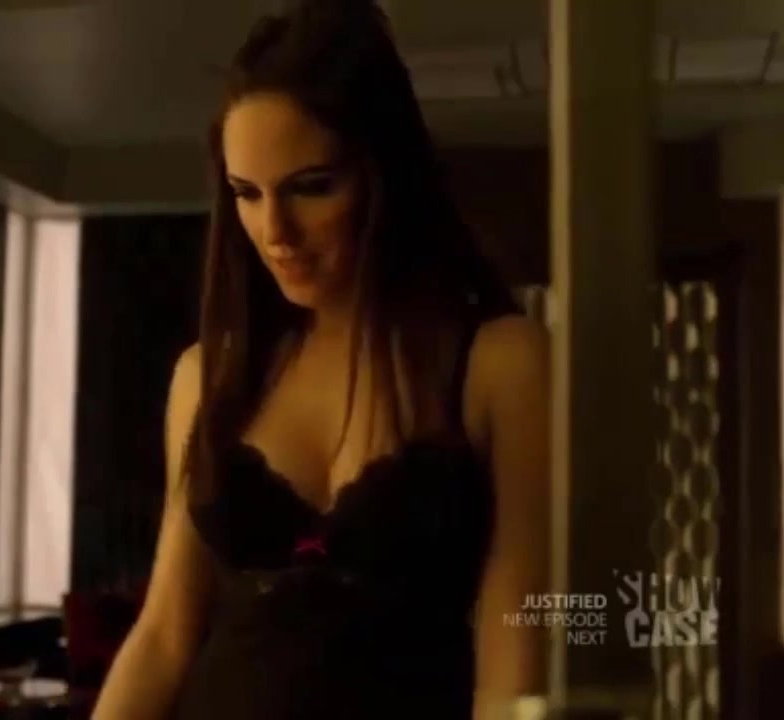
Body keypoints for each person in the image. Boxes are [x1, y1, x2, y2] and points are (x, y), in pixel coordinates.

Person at [91, 0, 550, 717]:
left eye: (311, 187)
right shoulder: (210, 377)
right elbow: (163, 637)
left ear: (383, 173)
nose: (274, 231)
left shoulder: (500, 363)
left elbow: (512, 655)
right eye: (247, 194)